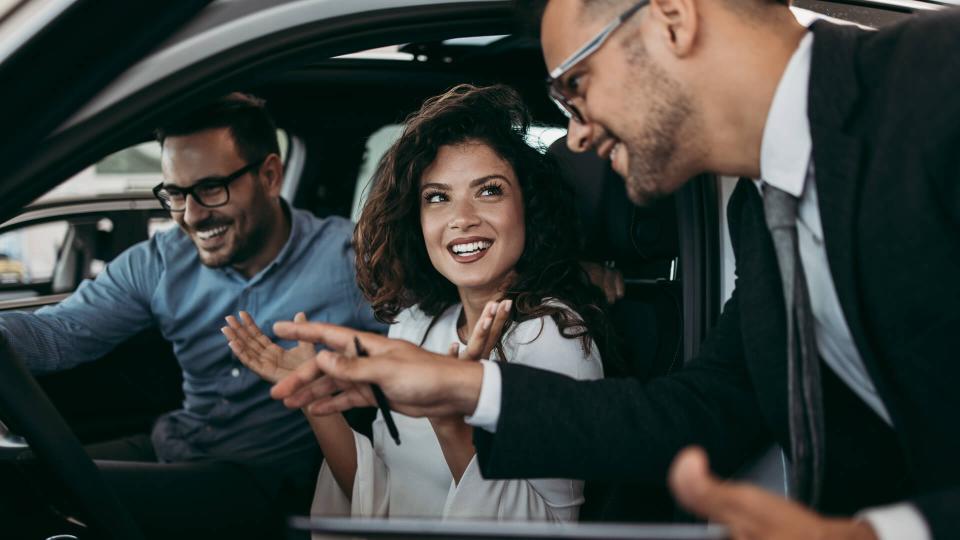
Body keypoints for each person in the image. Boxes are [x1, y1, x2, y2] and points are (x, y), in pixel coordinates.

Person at [260, 2, 960, 539]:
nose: (577, 133)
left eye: (577, 85)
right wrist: (463, 385)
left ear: (673, 17)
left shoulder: (939, 83)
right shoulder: (759, 209)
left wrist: (887, 531)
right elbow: (704, 409)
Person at [225, 83, 615, 522]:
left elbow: (549, 528)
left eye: (489, 190)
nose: (462, 219)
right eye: (437, 197)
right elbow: (383, 498)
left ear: (529, 205)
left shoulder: (552, 338)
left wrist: (453, 425)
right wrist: (316, 404)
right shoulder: (419, 322)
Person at [0, 93, 382, 538]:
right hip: (173, 445)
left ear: (270, 175)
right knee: (21, 473)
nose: (191, 215)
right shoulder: (161, 261)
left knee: (33, 494)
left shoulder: (350, 263)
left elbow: (422, 349)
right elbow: (61, 332)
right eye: (175, 194)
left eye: (209, 190)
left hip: (258, 480)